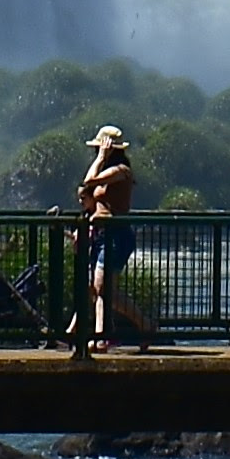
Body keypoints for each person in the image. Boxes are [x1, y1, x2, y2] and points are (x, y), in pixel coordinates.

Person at [73, 123, 143, 352]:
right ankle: (102, 334)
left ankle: (137, 327)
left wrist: (101, 158)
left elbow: (88, 181)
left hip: (117, 235)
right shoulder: (104, 172)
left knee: (103, 286)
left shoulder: (120, 171)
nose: (96, 152)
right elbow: (88, 193)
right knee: (97, 288)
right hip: (100, 234)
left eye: (100, 148)